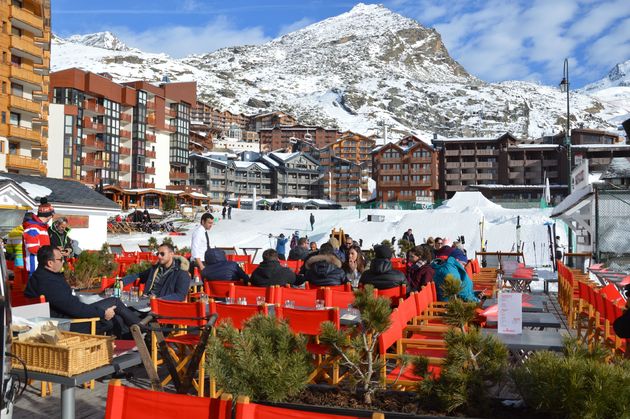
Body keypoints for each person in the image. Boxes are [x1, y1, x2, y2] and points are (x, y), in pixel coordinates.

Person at [25, 246, 142, 337]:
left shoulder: (41, 276)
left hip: (60, 318)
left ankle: (138, 336)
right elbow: (74, 308)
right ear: (50, 263)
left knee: (117, 316)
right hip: (66, 324)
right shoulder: (48, 282)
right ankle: (143, 330)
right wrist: (102, 313)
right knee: (114, 304)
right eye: (61, 259)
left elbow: (70, 304)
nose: (63, 261)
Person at [121, 243, 190, 302]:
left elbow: (180, 295)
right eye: (158, 254)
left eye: (162, 254)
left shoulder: (181, 272)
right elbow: (139, 275)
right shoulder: (155, 269)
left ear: (171, 254)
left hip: (161, 306)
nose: (159, 256)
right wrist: (122, 281)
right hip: (146, 301)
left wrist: (158, 300)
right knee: (117, 308)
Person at [23, 199, 54, 276]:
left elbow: (44, 246)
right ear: (49, 215)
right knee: (36, 288)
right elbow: (32, 248)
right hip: (35, 267)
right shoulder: (33, 228)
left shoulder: (42, 228)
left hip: (43, 266)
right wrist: (50, 253)